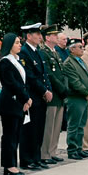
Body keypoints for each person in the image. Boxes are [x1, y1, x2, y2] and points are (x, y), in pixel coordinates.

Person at [19, 23, 53, 170]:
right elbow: (30, 77)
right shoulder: (24, 52)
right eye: (37, 34)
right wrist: (44, 91)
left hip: (41, 97)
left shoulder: (38, 52)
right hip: (33, 96)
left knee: (39, 129)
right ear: (28, 36)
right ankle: (27, 159)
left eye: (40, 34)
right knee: (30, 130)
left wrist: (48, 90)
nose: (40, 37)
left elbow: (45, 74)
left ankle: (36, 157)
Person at [0, 33, 30, 175]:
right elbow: (12, 83)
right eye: (16, 42)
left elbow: (22, 83)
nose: (20, 45)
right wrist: (25, 98)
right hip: (10, 102)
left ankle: (10, 163)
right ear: (9, 45)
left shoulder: (17, 60)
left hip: (18, 102)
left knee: (15, 135)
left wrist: (26, 98)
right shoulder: (5, 62)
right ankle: (9, 165)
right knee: (9, 135)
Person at [63, 39, 88, 159]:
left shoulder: (81, 61)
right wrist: (86, 93)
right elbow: (75, 82)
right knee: (74, 125)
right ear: (72, 49)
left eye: (82, 47)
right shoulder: (68, 63)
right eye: (80, 47)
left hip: (84, 97)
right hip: (75, 98)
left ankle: (79, 148)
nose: (82, 49)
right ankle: (72, 150)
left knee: (81, 124)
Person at [39, 26, 68, 163]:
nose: (57, 37)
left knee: (57, 126)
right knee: (49, 126)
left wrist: (64, 88)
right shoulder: (43, 52)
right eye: (54, 35)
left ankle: (52, 151)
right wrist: (61, 88)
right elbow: (49, 74)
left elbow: (61, 73)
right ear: (47, 38)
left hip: (60, 94)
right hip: (53, 93)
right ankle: (45, 153)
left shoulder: (55, 52)